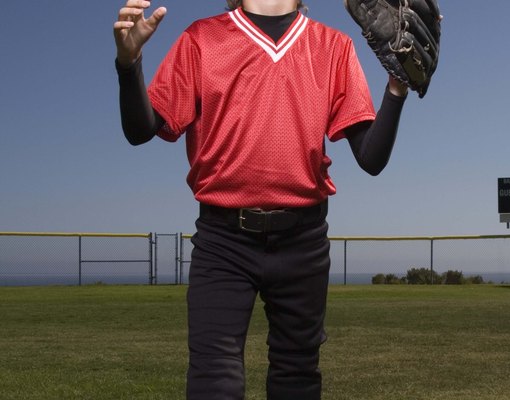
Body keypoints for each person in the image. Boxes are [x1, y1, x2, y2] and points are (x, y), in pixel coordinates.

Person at [113, 0, 408, 399]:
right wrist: (129, 65)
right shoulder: (202, 38)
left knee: (297, 378)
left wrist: (396, 87)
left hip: (303, 241)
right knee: (213, 382)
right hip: (223, 241)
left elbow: (371, 158)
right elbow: (141, 129)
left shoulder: (333, 45)